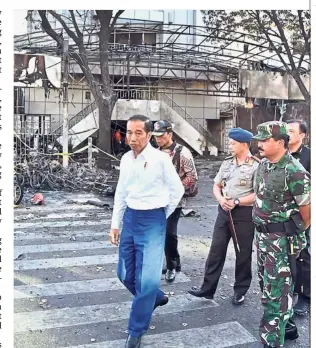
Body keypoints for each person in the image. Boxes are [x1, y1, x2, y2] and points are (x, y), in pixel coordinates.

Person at [109, 114, 184, 348]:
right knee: (124, 274)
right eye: (129, 132)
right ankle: (157, 298)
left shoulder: (161, 159)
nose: (132, 138)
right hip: (131, 217)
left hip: (153, 218)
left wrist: (162, 213)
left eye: (138, 133)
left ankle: (136, 330)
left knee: (147, 280)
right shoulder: (125, 159)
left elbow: (177, 189)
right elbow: (121, 192)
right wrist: (115, 223)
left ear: (149, 135)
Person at [251, 121, 311, 348]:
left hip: (281, 241)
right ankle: (288, 326)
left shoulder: (294, 171)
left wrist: (291, 233)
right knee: (266, 285)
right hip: (263, 239)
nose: (260, 144)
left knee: (275, 293)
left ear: (280, 142)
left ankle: (271, 340)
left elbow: (308, 212)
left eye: (264, 140)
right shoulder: (264, 166)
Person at [188, 127, 259, 305]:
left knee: (242, 253)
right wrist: (221, 200)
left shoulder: (256, 165)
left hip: (243, 214)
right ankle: (207, 289)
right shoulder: (227, 162)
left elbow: (258, 194)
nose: (230, 145)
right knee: (216, 250)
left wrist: (236, 202)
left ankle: (240, 290)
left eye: (233, 143)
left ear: (244, 144)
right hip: (224, 212)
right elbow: (216, 185)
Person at [152, 120, 198, 283]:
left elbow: (192, 177)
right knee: (161, 233)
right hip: (157, 200)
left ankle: (171, 266)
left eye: (161, 136)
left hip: (175, 201)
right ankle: (174, 261)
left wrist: (174, 189)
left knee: (169, 233)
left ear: (170, 134)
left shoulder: (182, 152)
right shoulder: (155, 153)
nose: (158, 139)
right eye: (155, 136)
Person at [286, 119, 311, 316]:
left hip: (303, 214)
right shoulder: (280, 154)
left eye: (292, 131)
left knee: (304, 255)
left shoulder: (309, 156)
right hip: (282, 216)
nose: (288, 133)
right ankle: (290, 291)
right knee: (286, 255)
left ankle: (305, 297)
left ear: (302, 135)